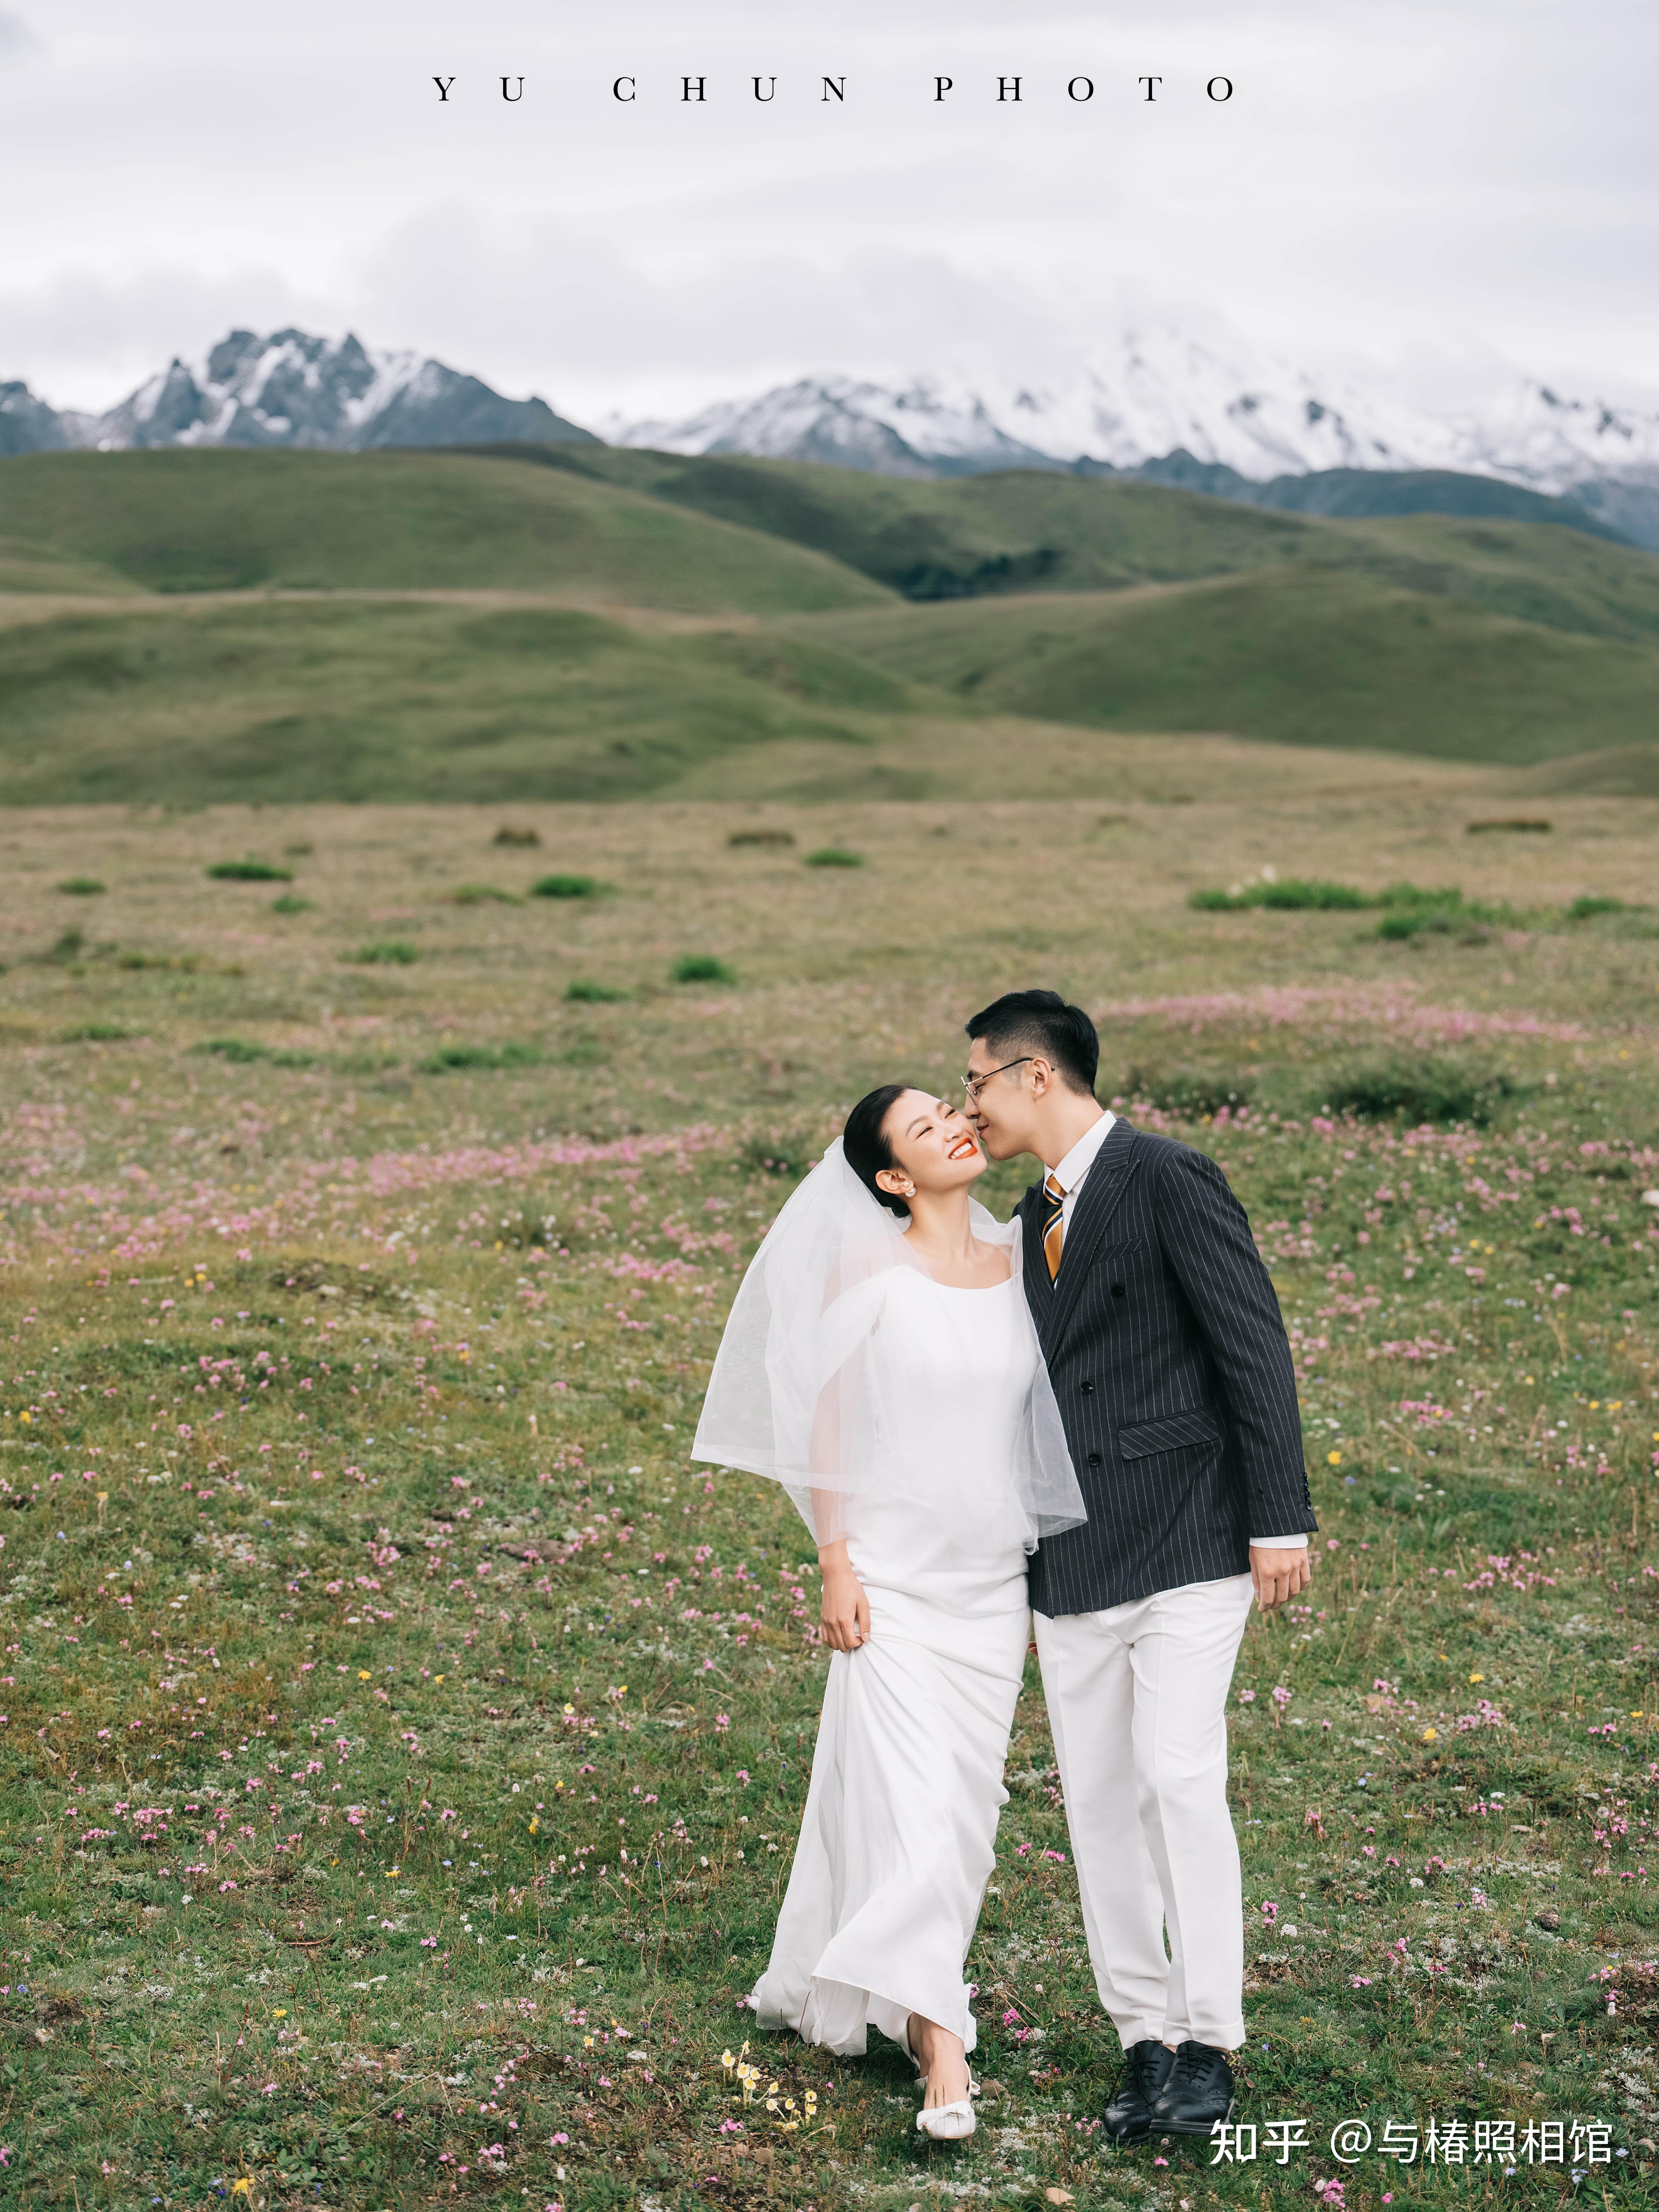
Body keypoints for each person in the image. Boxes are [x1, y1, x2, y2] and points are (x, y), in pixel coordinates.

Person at [693, 1086, 1086, 2142]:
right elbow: (826, 1426)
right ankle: (940, 2043)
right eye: (925, 1130)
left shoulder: (1023, 1266)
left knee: (964, 1814)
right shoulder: (868, 1272)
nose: (956, 1126)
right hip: (893, 1579)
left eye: (949, 1111)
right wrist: (836, 1564)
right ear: (894, 1179)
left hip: (990, 1583)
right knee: (912, 1808)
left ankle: (906, 1998)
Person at [963, 989, 1315, 2144]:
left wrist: (1279, 1518)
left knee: (1178, 1777)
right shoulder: (1028, 1216)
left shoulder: (1167, 1175)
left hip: (1190, 1535)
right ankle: (1144, 2039)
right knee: (1102, 1807)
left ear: (1036, 1076)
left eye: (976, 1080)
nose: (970, 1103)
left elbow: (1251, 1344)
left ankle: (1209, 2041)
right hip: (1071, 1552)